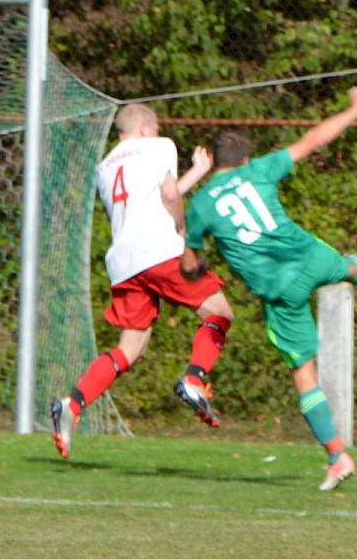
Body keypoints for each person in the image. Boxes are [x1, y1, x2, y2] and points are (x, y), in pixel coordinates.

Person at [182, 86, 357, 491]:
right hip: (311, 256)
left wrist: (194, 269)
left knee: (304, 376)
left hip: (281, 292)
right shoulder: (259, 170)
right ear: (245, 160)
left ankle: (337, 456)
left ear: (213, 163)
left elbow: (189, 262)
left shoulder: (201, 204)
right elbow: (314, 139)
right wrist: (356, 107)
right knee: (339, 266)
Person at [50, 103, 235, 461]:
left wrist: (196, 172)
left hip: (124, 263)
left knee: (129, 349)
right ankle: (195, 379)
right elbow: (169, 196)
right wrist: (181, 229)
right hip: (160, 251)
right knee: (219, 313)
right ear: (147, 128)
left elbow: (151, 201)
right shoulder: (159, 145)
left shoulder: (104, 167)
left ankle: (71, 404)